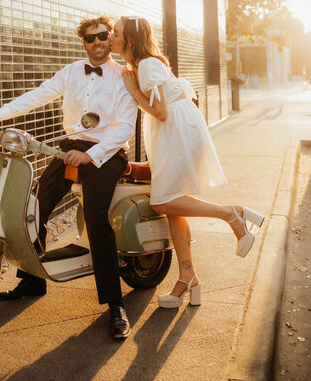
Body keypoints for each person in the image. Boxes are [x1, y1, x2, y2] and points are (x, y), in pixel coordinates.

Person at [0, 16, 137, 339]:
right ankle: (33, 278)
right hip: (69, 149)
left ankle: (115, 304)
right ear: (83, 43)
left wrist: (92, 154)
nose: (98, 42)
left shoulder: (124, 77)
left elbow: (126, 127)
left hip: (108, 152)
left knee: (96, 216)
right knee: (33, 205)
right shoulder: (72, 71)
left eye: (103, 36)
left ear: (110, 38)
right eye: (90, 39)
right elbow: (38, 95)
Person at [109, 16, 264, 309]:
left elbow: (161, 112)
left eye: (116, 33)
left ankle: (232, 213)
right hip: (174, 131)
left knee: (164, 202)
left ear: (130, 38)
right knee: (172, 205)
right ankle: (187, 278)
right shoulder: (141, 65)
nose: (111, 37)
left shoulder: (147, 64)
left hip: (175, 130)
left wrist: (132, 90)